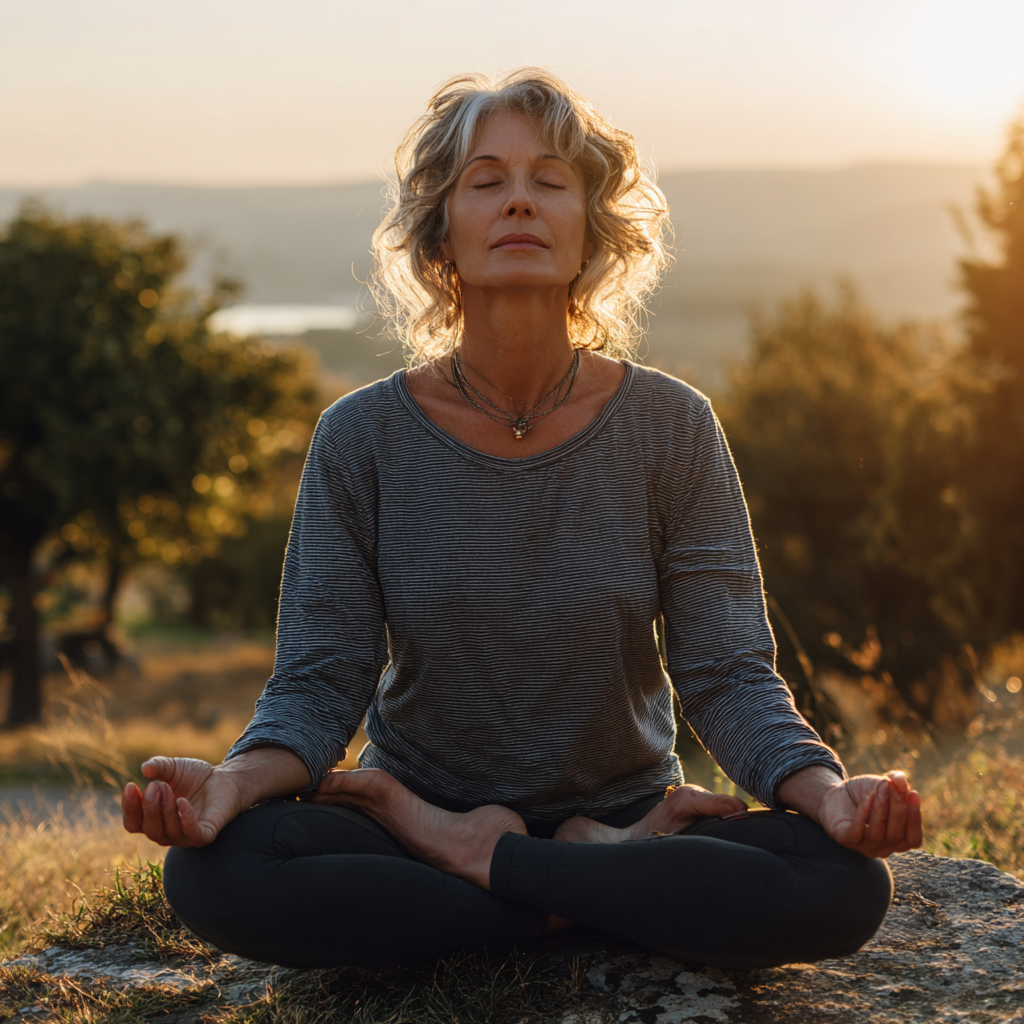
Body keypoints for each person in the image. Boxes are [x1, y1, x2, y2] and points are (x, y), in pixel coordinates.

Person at [122, 69, 922, 971]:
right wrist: (227, 788)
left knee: (842, 882)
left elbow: (727, 673)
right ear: (441, 237)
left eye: (550, 181)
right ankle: (587, 885)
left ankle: (495, 870)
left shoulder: (673, 427)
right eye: (486, 181)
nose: (519, 204)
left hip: (623, 810)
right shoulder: (360, 438)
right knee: (216, 874)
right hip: (414, 807)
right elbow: (319, 682)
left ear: (590, 233)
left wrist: (827, 794)